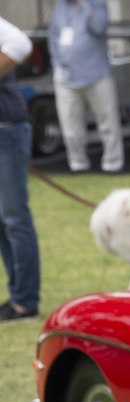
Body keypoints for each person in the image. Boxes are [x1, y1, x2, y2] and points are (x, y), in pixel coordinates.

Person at [48, 0, 122, 173]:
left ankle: (113, 164)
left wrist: (84, 4)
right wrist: (57, 67)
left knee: (107, 122)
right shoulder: (60, 7)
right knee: (70, 126)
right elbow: (53, 37)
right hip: (66, 77)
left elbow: (98, 27)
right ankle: (78, 165)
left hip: (96, 74)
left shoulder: (97, 4)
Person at [0, 15, 40, 321]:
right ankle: (17, 297)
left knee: (14, 217)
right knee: (3, 221)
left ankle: (25, 301)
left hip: (6, 130)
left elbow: (20, 43)